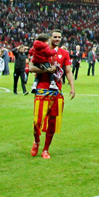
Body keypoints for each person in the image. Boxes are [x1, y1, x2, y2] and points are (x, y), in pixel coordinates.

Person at [28, 29, 75, 159]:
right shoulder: (40, 50)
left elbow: (68, 71)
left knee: (53, 121)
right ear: (50, 38)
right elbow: (31, 68)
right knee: (37, 121)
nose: (57, 39)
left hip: (57, 91)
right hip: (42, 89)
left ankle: (46, 149)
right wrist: (48, 70)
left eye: (59, 37)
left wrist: (72, 87)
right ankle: (37, 141)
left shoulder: (64, 53)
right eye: (54, 37)